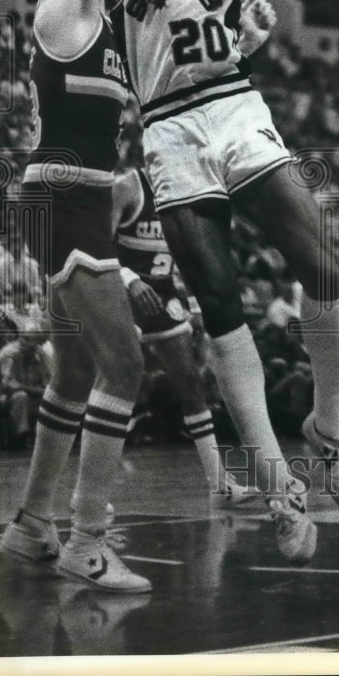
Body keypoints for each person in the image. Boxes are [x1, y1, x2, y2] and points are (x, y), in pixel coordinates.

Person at [83, 0, 339, 563]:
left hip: (236, 108)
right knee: (220, 301)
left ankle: (332, 427)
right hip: (169, 130)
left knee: (322, 261)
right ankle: (277, 484)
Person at [0, 0, 152, 593]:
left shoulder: (114, 35)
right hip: (60, 195)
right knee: (126, 365)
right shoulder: (63, 2)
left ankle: (30, 528)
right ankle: (89, 540)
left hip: (80, 194)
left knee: (80, 371)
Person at [112, 165, 256, 505]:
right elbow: (96, 245)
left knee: (191, 384)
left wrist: (196, 306)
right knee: (115, 386)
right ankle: (93, 493)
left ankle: (220, 486)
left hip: (163, 294)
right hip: (122, 292)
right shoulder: (129, 185)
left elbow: (191, 259)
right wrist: (131, 280)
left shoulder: (188, 195)